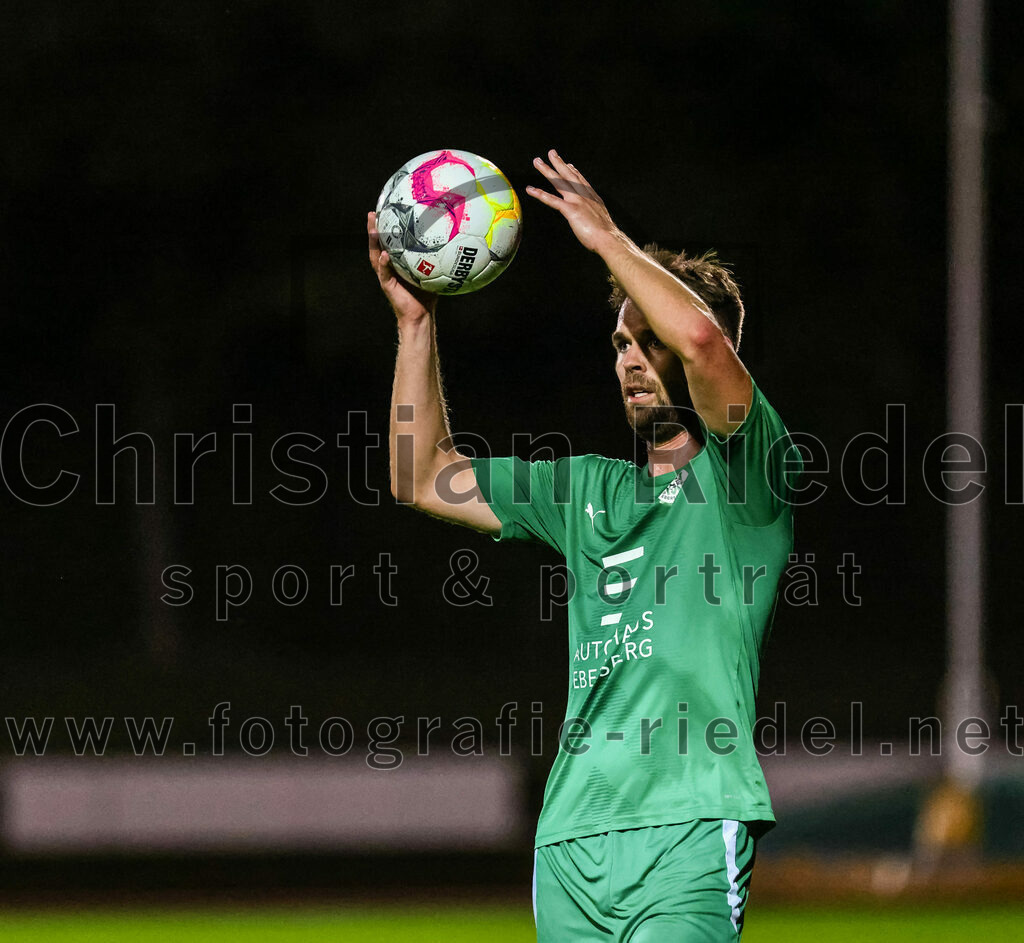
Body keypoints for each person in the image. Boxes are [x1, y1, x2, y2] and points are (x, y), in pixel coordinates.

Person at [368, 149, 800, 942]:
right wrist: (415, 323)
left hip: (690, 825)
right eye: (618, 344)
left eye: (647, 340)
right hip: (571, 836)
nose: (630, 359)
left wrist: (609, 243)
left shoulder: (751, 477)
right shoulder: (586, 491)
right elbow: (420, 474)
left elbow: (704, 342)